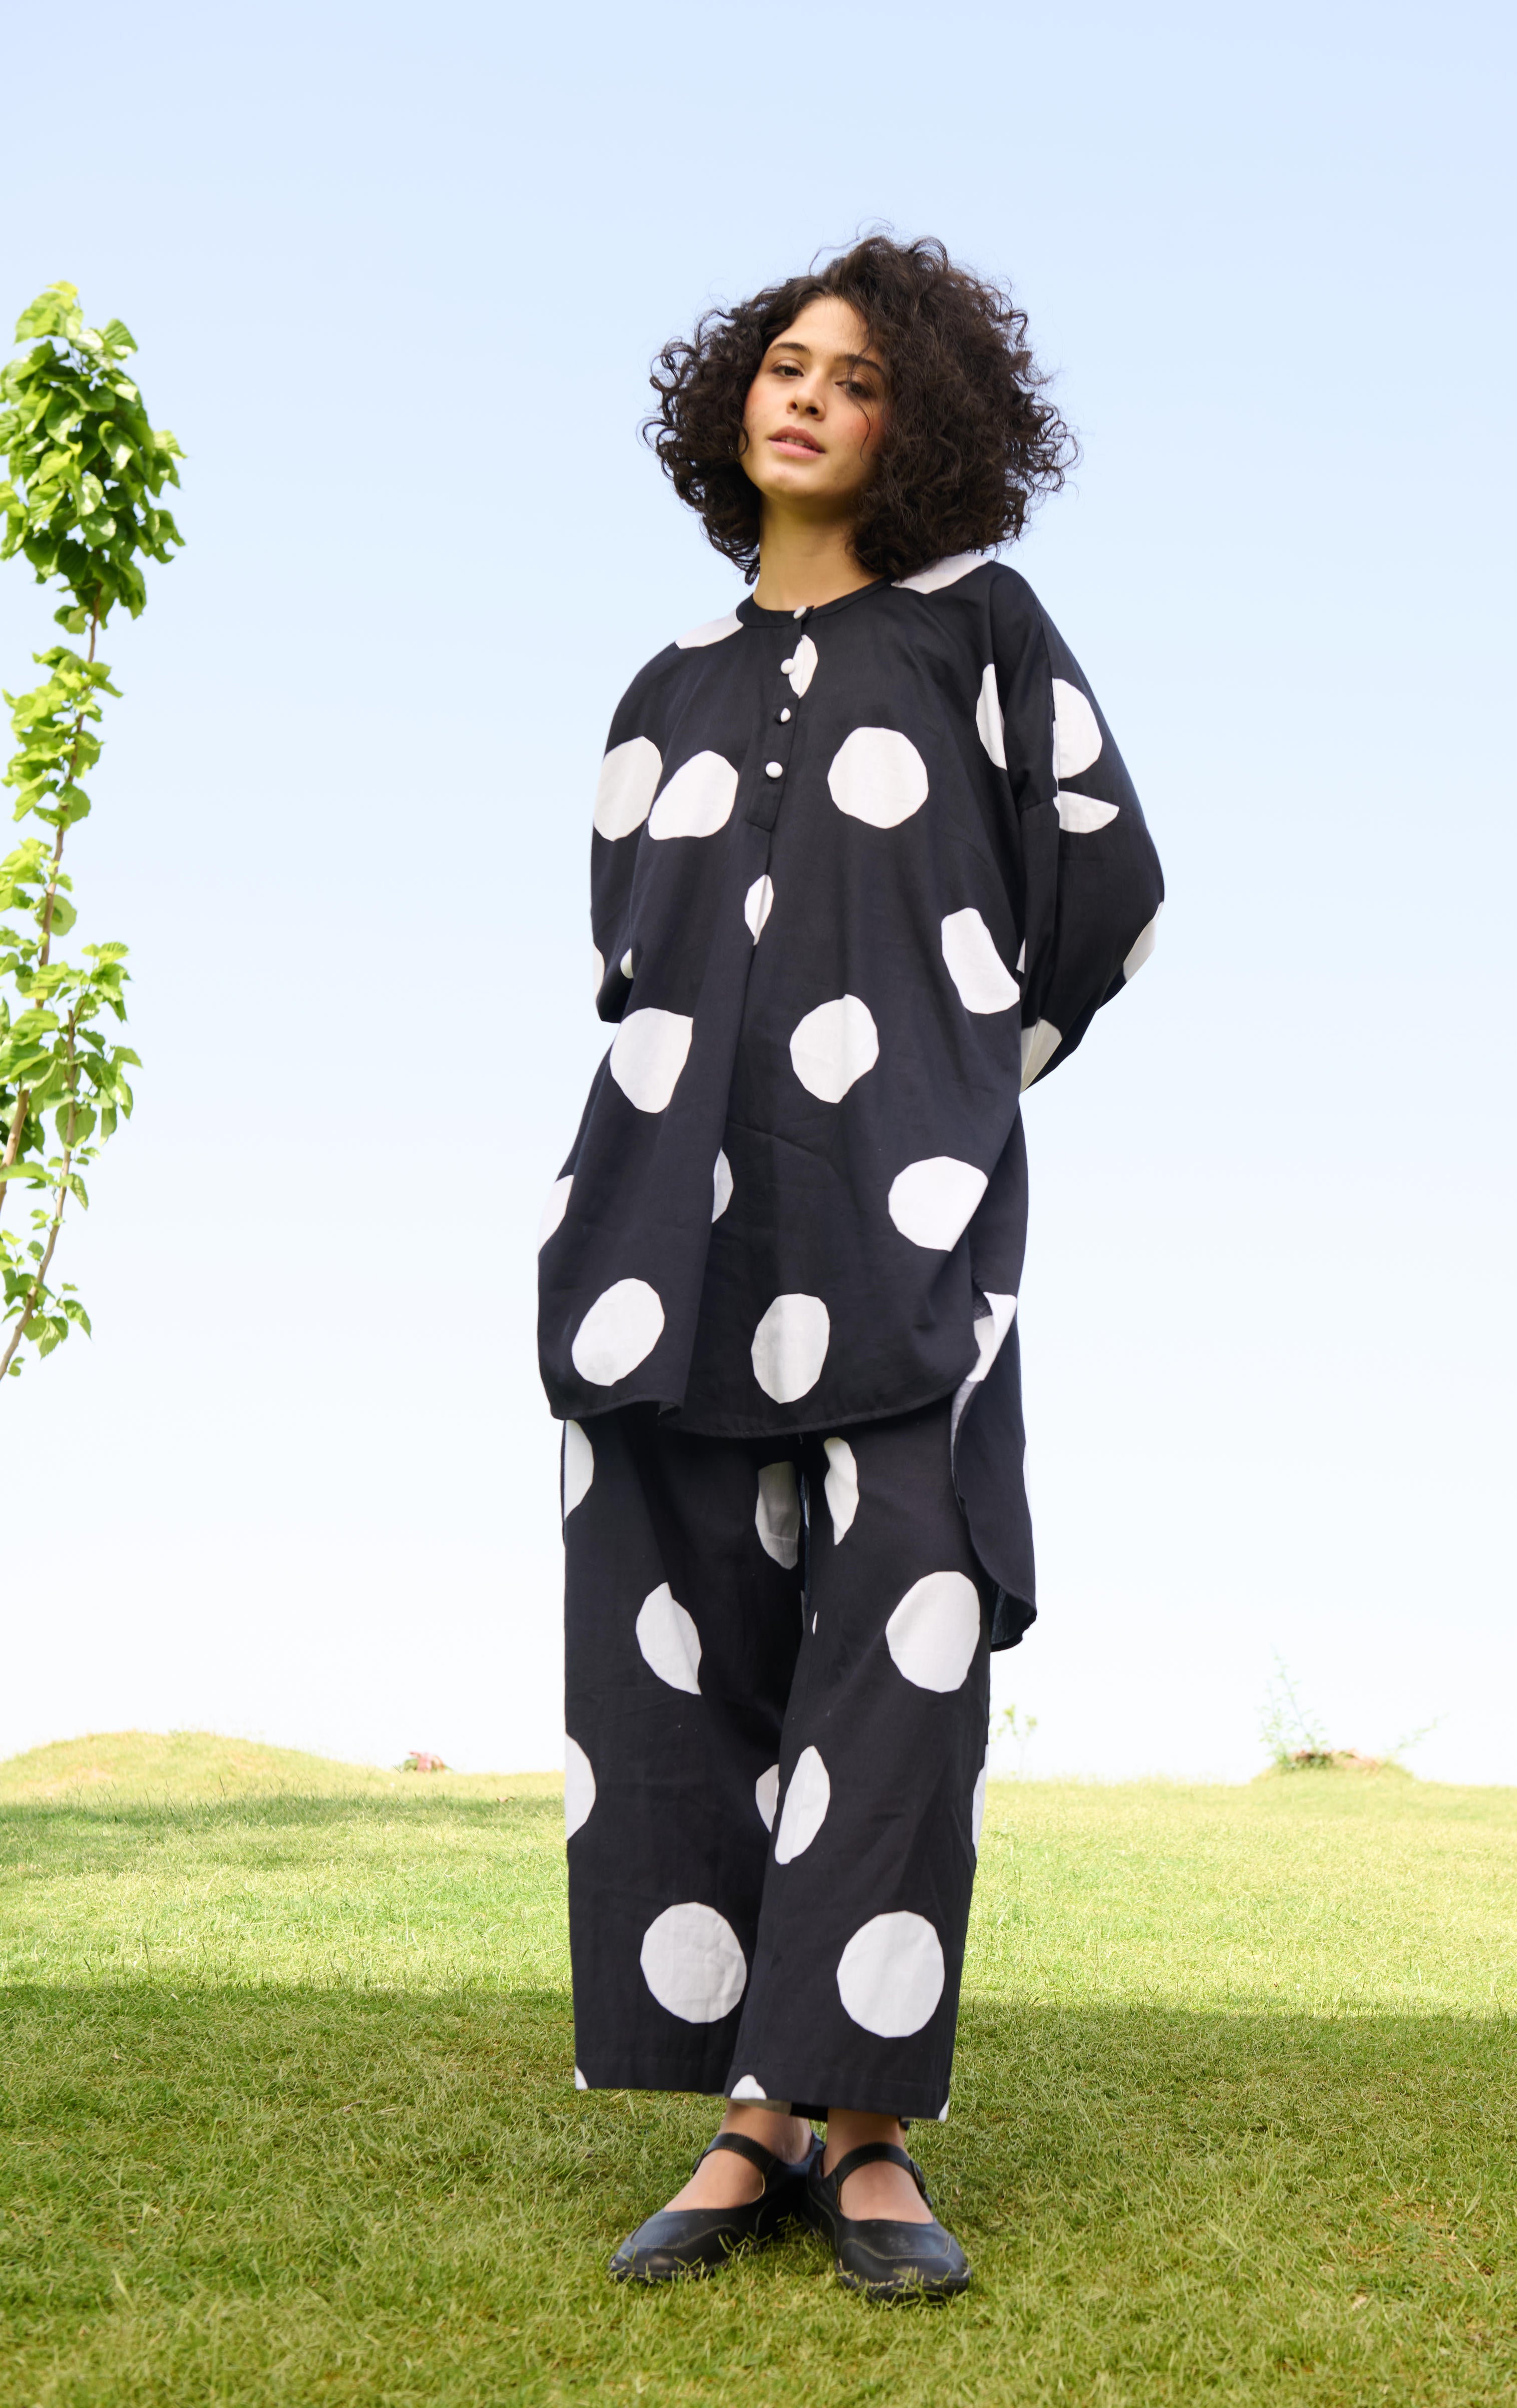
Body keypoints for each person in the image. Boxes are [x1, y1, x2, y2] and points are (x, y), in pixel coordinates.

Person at [539, 235, 1163, 2300]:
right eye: (784, 364)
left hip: (904, 1227)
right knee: (683, 1651)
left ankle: (864, 2126)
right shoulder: (660, 691)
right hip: (657, 1235)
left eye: (860, 379)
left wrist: (955, 1083)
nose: (807, 395)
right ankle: (749, 2116)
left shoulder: (980, 629)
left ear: (923, 429)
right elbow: (631, 959)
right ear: (734, 394)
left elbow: (1105, 884)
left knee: (903, 1633)